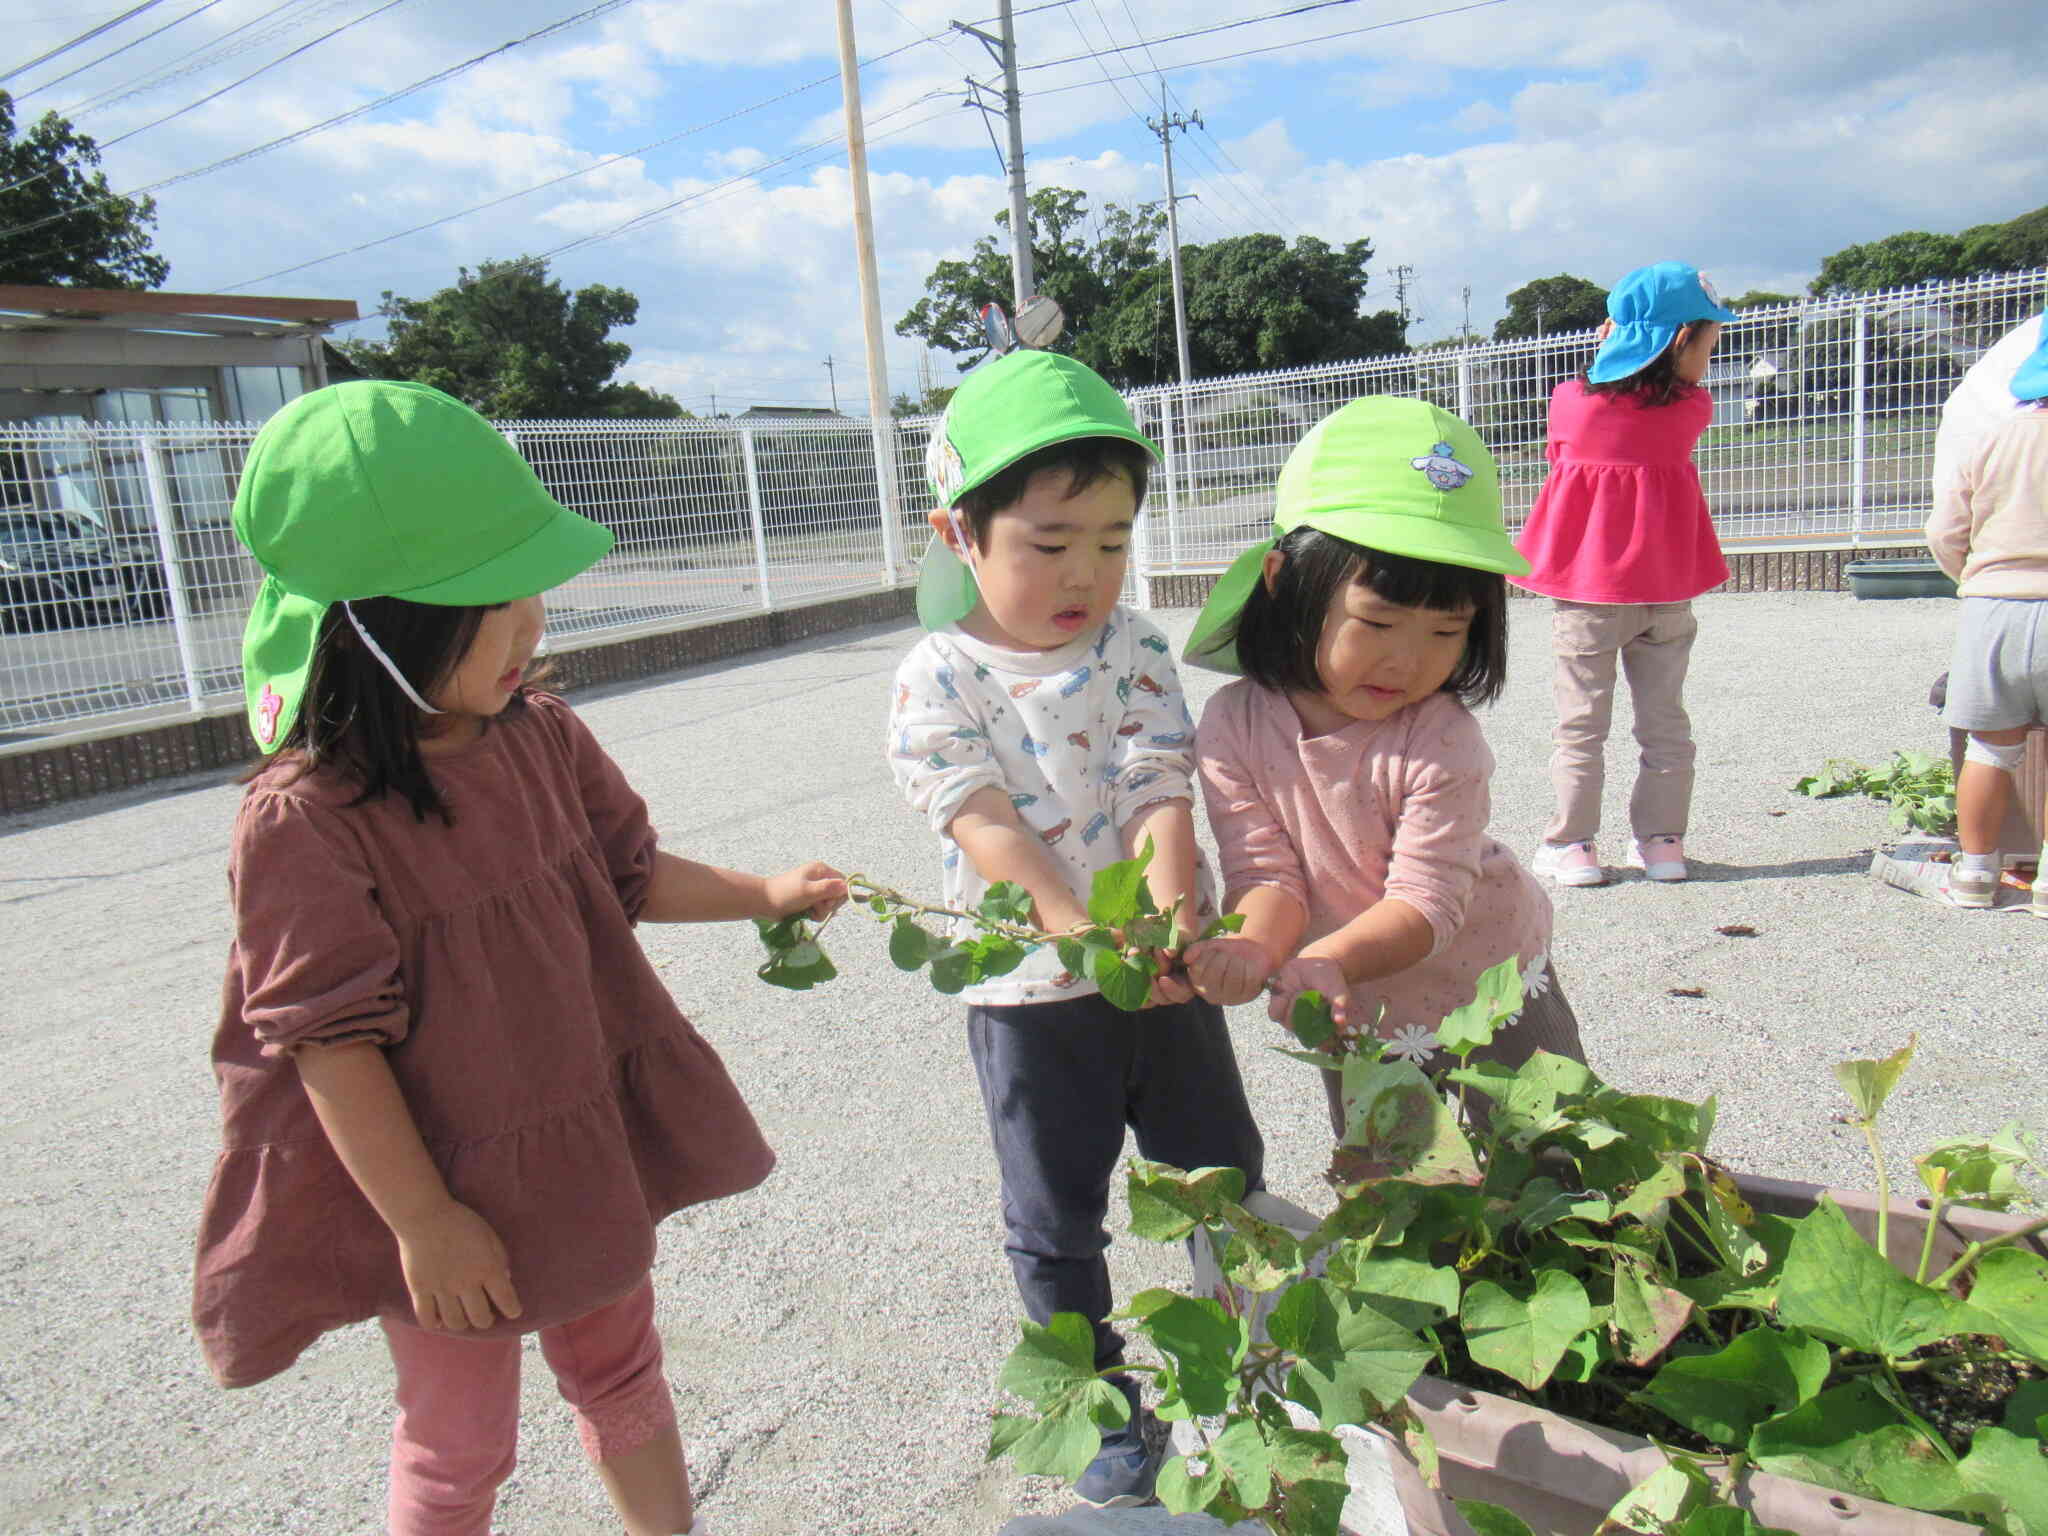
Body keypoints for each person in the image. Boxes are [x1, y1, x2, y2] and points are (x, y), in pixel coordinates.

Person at [191, 381, 846, 1536]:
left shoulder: (536, 732)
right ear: (378, 625)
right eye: (493, 597)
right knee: (458, 1442)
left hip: (571, 1139)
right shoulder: (306, 818)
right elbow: (327, 1045)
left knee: (622, 1372)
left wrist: (764, 896)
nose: (534, 619)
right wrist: (424, 1224)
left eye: (529, 583)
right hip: (435, 1172)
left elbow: (627, 870)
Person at [887, 351, 1265, 1510]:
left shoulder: (1133, 646)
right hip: (1031, 998)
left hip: (1159, 972)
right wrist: (1085, 937)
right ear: (960, 534)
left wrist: (1163, 909)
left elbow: (1161, 781)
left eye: (1109, 541)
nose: (1084, 574)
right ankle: (1092, 1397)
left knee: (1220, 1175)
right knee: (1056, 1216)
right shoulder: (937, 674)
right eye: (1048, 545)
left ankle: (1250, 1365)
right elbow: (986, 826)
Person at [1180, 396, 1587, 1140]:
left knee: (1552, 1164)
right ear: (1284, 578)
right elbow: (1266, 875)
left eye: (1445, 630)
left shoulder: (1440, 737)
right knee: (1396, 1199)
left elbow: (1430, 901)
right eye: (1376, 622)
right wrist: (1254, 947)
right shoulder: (1232, 726)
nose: (1407, 660)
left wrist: (1326, 957)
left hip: (1488, 981)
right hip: (1351, 1002)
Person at [1514, 261, 1737, 887]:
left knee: (1581, 724)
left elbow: (1569, 437)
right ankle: (1663, 845)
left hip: (1589, 595)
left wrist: (1612, 346)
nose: (1712, 353)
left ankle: (1575, 846)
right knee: (1665, 721)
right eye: (1707, 339)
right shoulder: (1693, 409)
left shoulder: (1570, 402)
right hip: (1666, 594)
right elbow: (1665, 402)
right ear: (1677, 340)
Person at [1926, 317, 2048, 915]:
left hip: (1992, 606)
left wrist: (1971, 579)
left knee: (1988, 750)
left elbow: (1948, 527)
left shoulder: (1994, 437)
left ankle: (1975, 874)